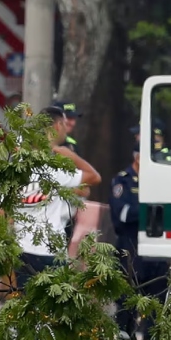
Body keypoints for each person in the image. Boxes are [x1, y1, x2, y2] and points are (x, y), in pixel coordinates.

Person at [13, 107, 101, 289]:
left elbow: (0, 209)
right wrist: (71, 156)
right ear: (58, 125)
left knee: (26, 308)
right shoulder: (55, 169)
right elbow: (94, 177)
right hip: (49, 251)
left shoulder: (14, 169)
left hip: (20, 250)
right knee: (56, 308)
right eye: (64, 123)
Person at [110, 145, 168, 337]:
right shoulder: (123, 181)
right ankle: (123, 339)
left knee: (156, 299)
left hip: (155, 246)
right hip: (130, 245)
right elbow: (123, 214)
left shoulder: (159, 181)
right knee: (127, 299)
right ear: (138, 158)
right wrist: (151, 211)